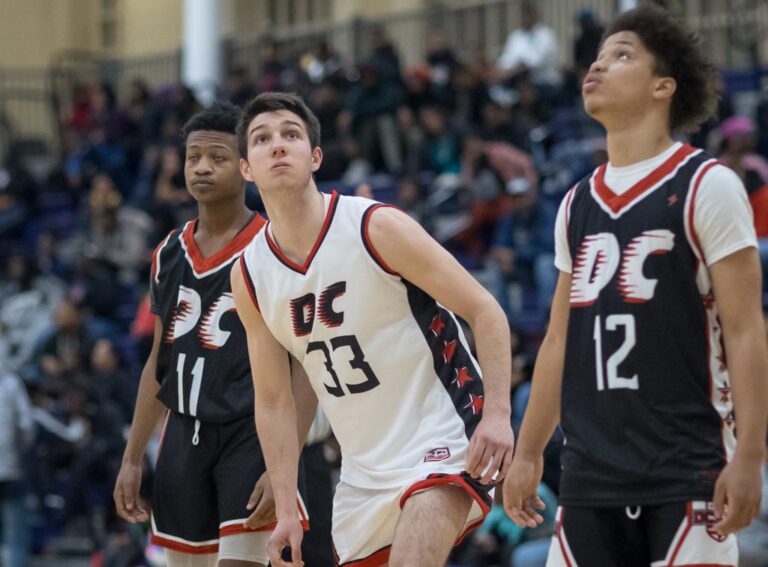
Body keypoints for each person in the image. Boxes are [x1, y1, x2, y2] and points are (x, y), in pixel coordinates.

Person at [503, 5, 768, 567]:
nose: (597, 67)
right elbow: (557, 340)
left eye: (621, 55)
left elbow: (746, 331)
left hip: (686, 469)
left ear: (663, 87)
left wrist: (750, 456)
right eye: (597, 58)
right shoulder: (574, 203)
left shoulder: (708, 185)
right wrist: (527, 453)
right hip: (590, 476)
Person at [230, 92, 515, 567]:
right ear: (246, 168)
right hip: (362, 472)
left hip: (440, 436)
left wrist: (500, 415)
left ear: (315, 156)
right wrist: (285, 509)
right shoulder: (250, 274)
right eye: (262, 139)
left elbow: (485, 310)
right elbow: (276, 399)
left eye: (291, 135)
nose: (277, 145)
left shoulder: (374, 226)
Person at [113, 102, 315, 567]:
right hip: (182, 437)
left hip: (252, 433)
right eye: (192, 157)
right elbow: (157, 364)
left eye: (217, 157)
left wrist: (283, 462)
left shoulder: (275, 248)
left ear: (245, 167)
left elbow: (305, 365)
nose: (202, 167)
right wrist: (131, 456)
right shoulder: (168, 252)